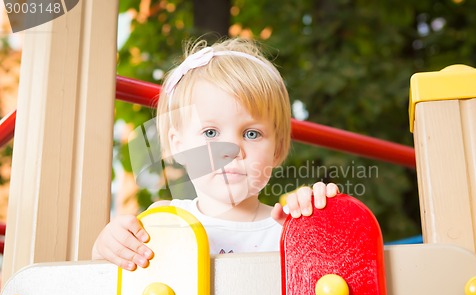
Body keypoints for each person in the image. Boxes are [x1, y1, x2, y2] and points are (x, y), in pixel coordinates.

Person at [92, 38, 338, 271]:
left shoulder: (289, 228)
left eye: (251, 134)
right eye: (210, 132)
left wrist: (324, 226)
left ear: (278, 149)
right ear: (178, 145)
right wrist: (107, 245)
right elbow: (108, 276)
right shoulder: (161, 223)